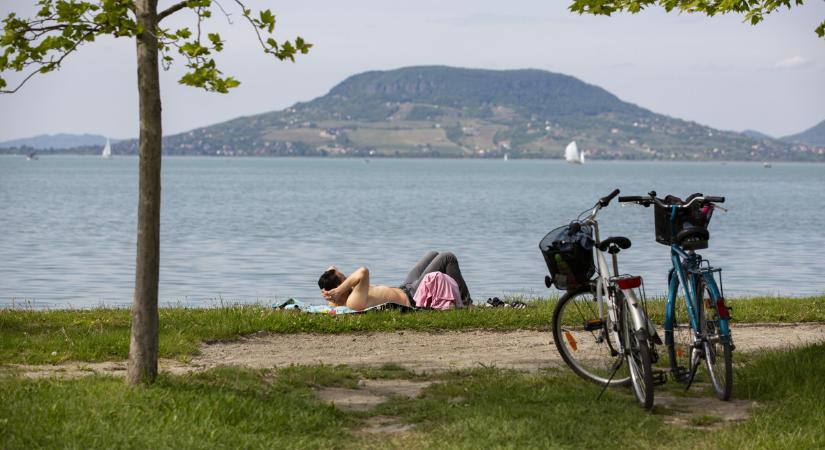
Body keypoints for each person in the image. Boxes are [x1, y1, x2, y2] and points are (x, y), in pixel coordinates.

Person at [318, 251, 472, 310]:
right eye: (343, 278)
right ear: (339, 287)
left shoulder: (338, 296)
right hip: (412, 297)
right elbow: (363, 271)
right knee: (447, 258)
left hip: (405, 287)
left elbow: (331, 268)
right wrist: (338, 290)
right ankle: (466, 302)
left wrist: (332, 290)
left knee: (433, 254)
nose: (347, 279)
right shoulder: (352, 301)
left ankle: (451, 294)